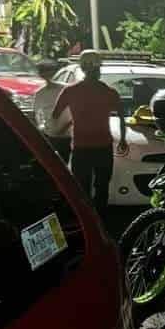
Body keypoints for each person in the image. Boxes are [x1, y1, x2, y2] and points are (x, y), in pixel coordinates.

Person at [52, 50, 127, 219]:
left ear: (82, 69)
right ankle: (100, 223)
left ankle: (86, 222)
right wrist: (122, 139)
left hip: (81, 149)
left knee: (82, 189)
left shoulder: (70, 91)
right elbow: (122, 118)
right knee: (102, 188)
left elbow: (55, 115)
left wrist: (69, 123)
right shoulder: (110, 92)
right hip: (103, 148)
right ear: (98, 69)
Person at [33, 59, 71, 162]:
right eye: (42, 71)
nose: (46, 75)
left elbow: (75, 112)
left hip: (66, 134)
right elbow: (36, 114)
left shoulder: (66, 89)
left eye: (48, 71)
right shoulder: (40, 93)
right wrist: (43, 128)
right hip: (50, 134)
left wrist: (65, 127)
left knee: (64, 161)